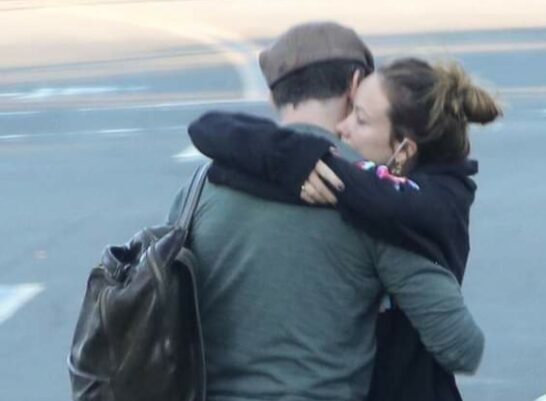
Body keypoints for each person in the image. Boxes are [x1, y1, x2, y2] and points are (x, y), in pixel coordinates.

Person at [167, 22, 484, 401]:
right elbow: (461, 347)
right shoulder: (374, 199)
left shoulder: (200, 187)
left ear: (273, 97)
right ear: (355, 85)